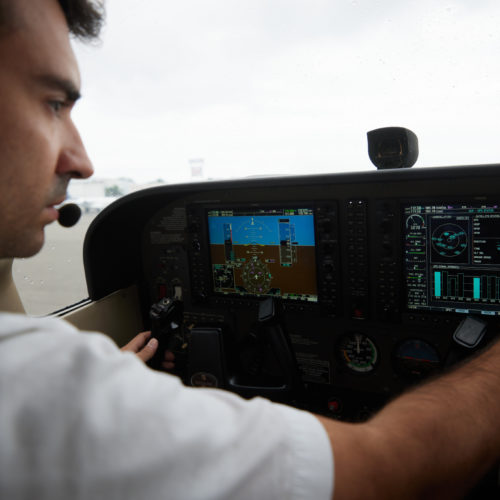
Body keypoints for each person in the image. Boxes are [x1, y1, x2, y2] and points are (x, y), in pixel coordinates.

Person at [1, 1, 500, 499]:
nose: (83, 162)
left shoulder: (43, 384)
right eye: (53, 104)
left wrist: (110, 396)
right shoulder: (32, 382)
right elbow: (391, 472)